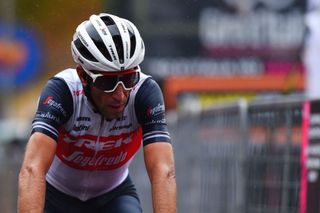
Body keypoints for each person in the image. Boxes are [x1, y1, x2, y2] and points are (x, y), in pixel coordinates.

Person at [18, 13, 176, 213]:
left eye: (128, 79)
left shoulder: (145, 92)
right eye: (107, 82)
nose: (120, 95)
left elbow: (163, 172)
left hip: (113, 196)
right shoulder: (63, 91)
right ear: (83, 76)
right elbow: (33, 168)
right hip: (56, 197)